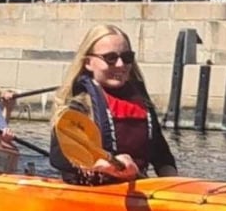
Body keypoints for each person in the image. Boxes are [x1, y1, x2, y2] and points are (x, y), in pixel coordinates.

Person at [49, 24, 177, 184]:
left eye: (127, 57)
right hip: (92, 192)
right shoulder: (78, 105)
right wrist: (101, 164)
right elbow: (59, 157)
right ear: (88, 62)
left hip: (136, 188)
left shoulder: (141, 103)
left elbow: (162, 155)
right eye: (110, 58)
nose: (120, 64)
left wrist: (174, 185)